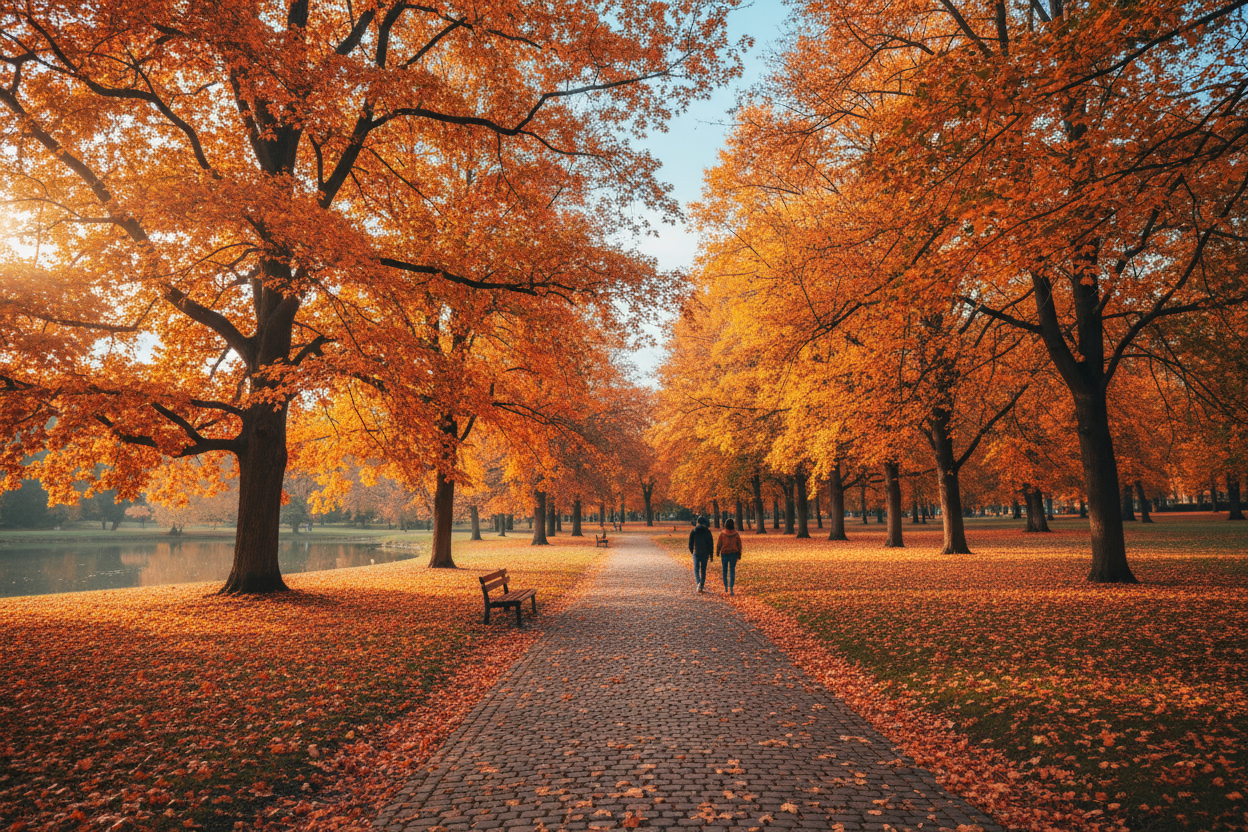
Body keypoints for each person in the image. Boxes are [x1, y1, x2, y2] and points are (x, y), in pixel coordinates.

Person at [688, 515, 714, 592]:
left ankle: (698, 582)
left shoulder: (694, 531)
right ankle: (701, 584)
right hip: (705, 553)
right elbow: (710, 544)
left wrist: (692, 551)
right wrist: (711, 554)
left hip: (696, 552)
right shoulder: (707, 531)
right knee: (703, 569)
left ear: (697, 522)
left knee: (696, 568)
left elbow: (690, 543)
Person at [716, 518, 742, 595]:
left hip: (724, 553)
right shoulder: (736, 534)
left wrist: (717, 551)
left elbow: (719, 544)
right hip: (733, 553)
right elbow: (739, 545)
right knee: (732, 571)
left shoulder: (722, 534)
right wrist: (739, 554)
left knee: (724, 570)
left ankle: (726, 587)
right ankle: (731, 588)